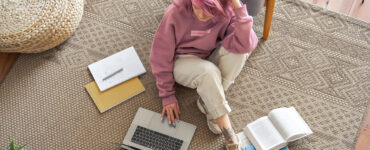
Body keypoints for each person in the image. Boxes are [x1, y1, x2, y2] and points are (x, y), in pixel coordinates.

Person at [149, 0, 258, 149]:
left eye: (208, 11)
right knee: (208, 72)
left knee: (241, 51)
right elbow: (159, 56)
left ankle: (208, 102)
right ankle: (229, 133)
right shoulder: (175, 12)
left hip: (207, 55)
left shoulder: (228, 9)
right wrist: (167, 94)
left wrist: (238, 7)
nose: (200, 14)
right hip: (181, 60)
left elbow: (246, 44)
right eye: (196, 7)